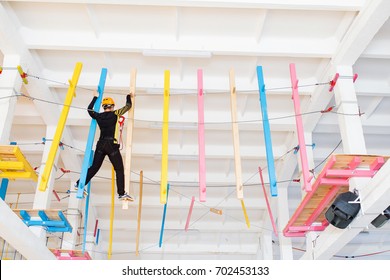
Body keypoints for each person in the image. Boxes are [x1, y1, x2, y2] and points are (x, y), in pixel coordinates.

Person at [74, 90, 134, 201]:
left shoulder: (98, 116)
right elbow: (128, 106)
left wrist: (95, 97)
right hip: (111, 145)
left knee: (94, 168)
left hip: (101, 145)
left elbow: (89, 109)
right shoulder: (116, 113)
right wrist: (128, 96)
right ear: (112, 106)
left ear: (103, 107)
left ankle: (79, 183)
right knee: (119, 169)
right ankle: (121, 193)